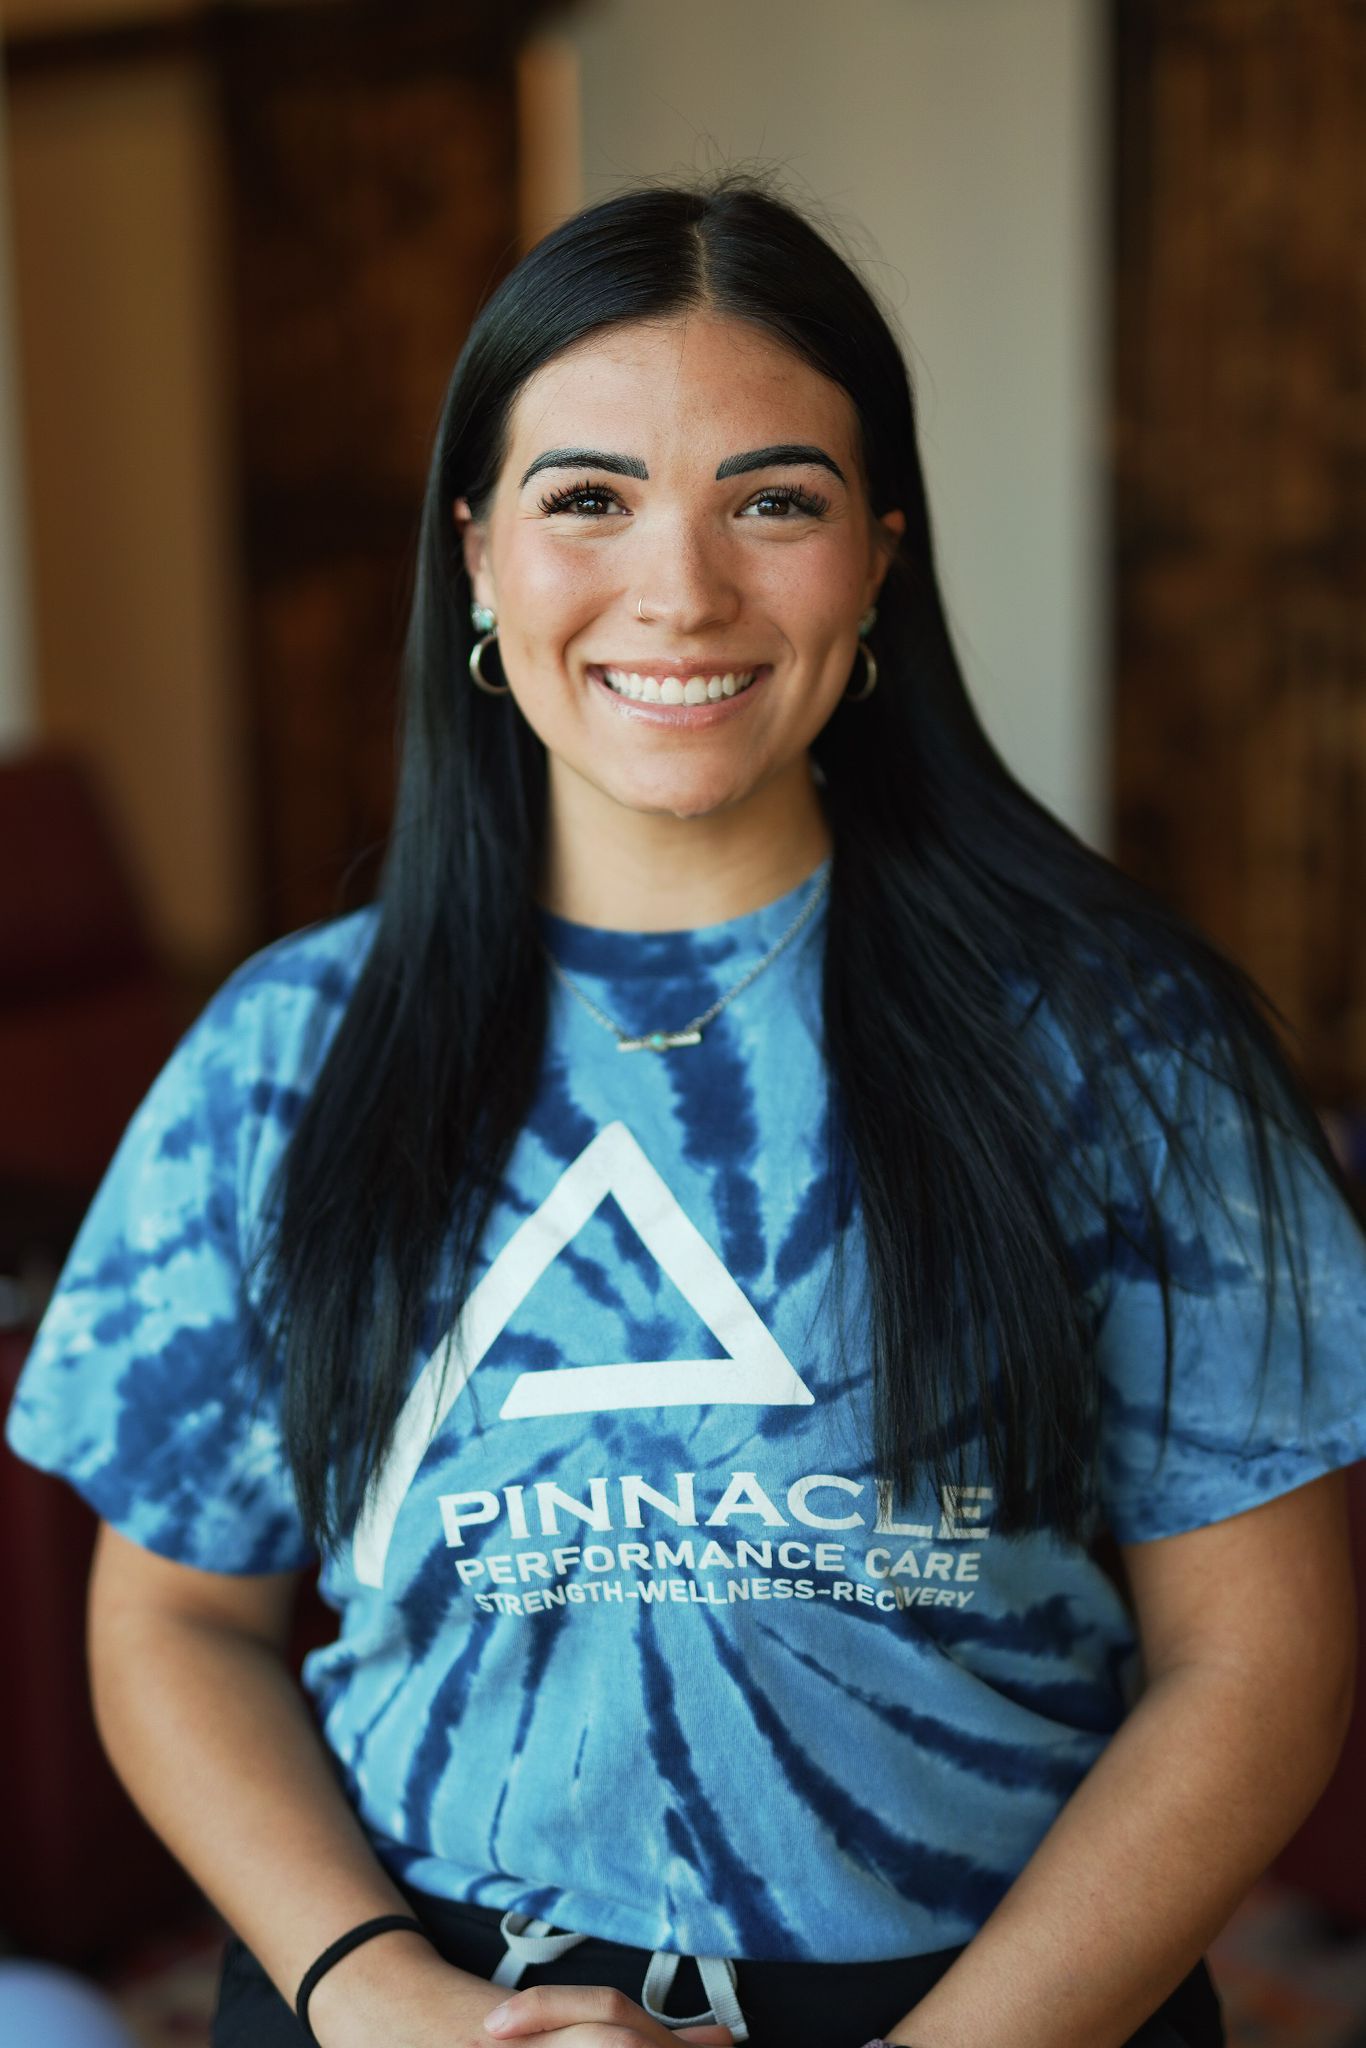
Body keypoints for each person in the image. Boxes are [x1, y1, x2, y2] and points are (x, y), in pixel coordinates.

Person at [7, 176, 1366, 2048]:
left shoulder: (1119, 1041)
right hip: (415, 1998)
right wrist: (372, 1997)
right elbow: (173, 1623)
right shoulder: (284, 1054)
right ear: (475, 557)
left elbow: (1256, 1658)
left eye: (772, 501)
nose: (681, 591)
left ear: (877, 556)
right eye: (587, 498)